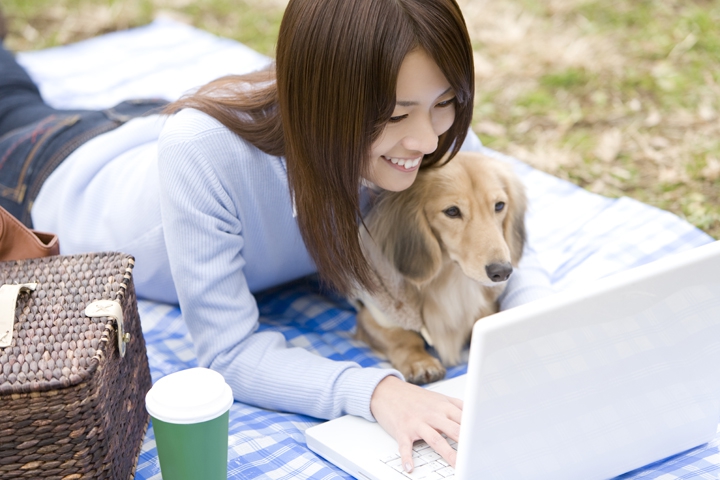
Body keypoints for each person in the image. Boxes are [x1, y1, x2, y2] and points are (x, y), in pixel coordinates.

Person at [0, 0, 554, 473]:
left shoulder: (426, 131)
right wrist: (377, 390)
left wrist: (534, 326)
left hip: (149, 126)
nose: (427, 140)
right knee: (11, 101)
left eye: (444, 103)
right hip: (59, 168)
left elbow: (503, 239)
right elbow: (229, 352)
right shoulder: (205, 151)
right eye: (396, 113)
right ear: (328, 102)